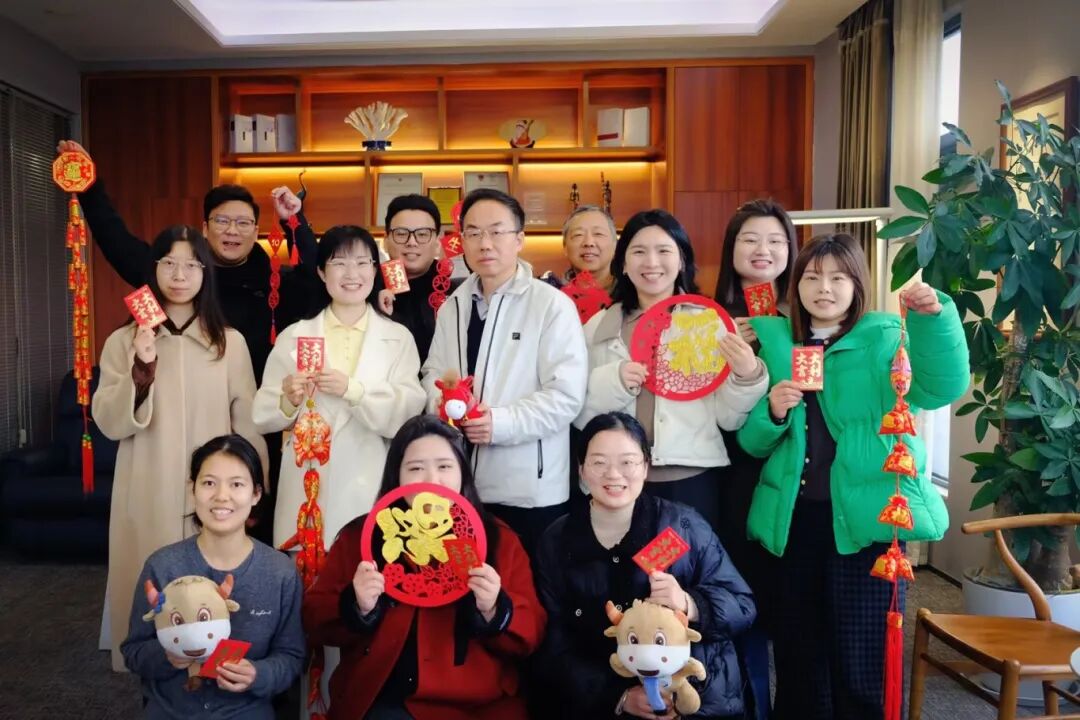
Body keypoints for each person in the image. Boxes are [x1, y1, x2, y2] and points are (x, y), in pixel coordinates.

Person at [736, 233, 970, 720]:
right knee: (799, 655)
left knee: (862, 662)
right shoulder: (778, 343)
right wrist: (772, 412)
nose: (824, 288)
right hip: (794, 523)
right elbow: (753, 445)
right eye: (812, 277)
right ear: (796, 285)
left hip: (866, 525)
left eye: (838, 277)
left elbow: (939, 388)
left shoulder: (885, 336)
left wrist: (935, 318)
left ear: (857, 284)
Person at [93, 225, 269, 673]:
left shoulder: (229, 343)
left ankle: (212, 677)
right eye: (168, 263)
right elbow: (108, 422)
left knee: (215, 592)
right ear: (153, 270)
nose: (179, 274)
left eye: (192, 265)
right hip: (147, 485)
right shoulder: (123, 341)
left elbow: (248, 424)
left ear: (206, 273)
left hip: (215, 495)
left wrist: (256, 491)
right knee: (150, 590)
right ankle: (153, 675)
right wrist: (142, 366)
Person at [302, 415, 546, 720]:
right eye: (416, 468)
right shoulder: (362, 536)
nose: (432, 480)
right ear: (397, 476)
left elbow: (532, 632)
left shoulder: (498, 540)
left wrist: (495, 609)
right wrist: (356, 605)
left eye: (444, 467)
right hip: (383, 700)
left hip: (477, 706)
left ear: (462, 473)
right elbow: (314, 617)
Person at [535, 412, 756, 720]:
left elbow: (743, 607)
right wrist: (619, 697)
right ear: (581, 469)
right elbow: (552, 641)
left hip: (695, 699)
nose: (614, 474)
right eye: (599, 463)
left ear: (646, 467)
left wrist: (690, 603)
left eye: (627, 462)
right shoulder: (556, 540)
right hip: (599, 704)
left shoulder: (683, 526)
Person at [575, 209, 768, 532]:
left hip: (690, 478)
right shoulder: (598, 328)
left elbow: (729, 418)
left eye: (664, 250)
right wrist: (614, 381)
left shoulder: (711, 324)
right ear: (623, 264)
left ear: (681, 261)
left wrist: (747, 376)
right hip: (616, 481)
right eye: (639, 251)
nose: (651, 262)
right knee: (621, 562)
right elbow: (576, 409)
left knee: (688, 562)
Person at [420, 188, 588, 556]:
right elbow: (433, 372)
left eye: (497, 231)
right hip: (460, 485)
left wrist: (500, 423)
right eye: (474, 233)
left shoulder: (551, 305)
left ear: (519, 239)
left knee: (526, 584)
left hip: (529, 490)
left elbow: (566, 396)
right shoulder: (453, 306)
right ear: (462, 241)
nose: (485, 243)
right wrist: (442, 405)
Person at [253, 224, 426, 550]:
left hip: (370, 476)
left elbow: (409, 410)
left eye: (362, 263)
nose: (352, 274)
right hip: (308, 479)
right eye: (339, 263)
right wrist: (288, 399)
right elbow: (262, 415)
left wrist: (354, 391)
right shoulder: (295, 336)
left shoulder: (397, 337)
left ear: (375, 270)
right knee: (306, 569)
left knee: (365, 561)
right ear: (321, 272)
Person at [122, 434, 305, 719]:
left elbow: (292, 657)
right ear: (192, 489)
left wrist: (258, 674)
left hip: (246, 711)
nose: (221, 496)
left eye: (236, 484)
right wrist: (166, 655)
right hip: (171, 711)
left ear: (256, 494)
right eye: (209, 483)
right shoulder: (163, 565)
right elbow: (133, 651)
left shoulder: (280, 572)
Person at [710, 198, 799, 720]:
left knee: (787, 604)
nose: (762, 250)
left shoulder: (807, 315)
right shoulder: (704, 314)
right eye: (750, 240)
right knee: (735, 595)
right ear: (731, 249)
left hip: (791, 474)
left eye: (774, 241)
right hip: (729, 473)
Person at [378, 194, 463, 363]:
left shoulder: (458, 292)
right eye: (401, 234)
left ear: (437, 243)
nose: (412, 242)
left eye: (422, 234)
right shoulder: (366, 289)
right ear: (386, 241)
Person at [541, 204, 618, 294]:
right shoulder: (550, 294)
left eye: (598, 234)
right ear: (565, 247)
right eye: (578, 235)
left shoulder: (631, 292)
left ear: (615, 244)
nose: (588, 243)